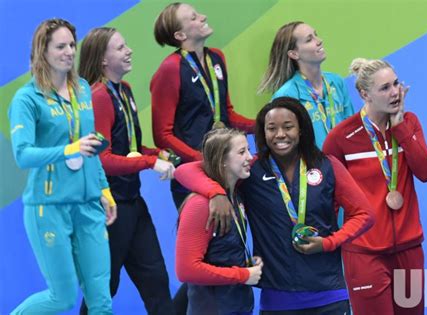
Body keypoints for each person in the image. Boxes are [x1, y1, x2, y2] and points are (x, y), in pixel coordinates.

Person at [175, 97, 375, 314]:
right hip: (278, 301)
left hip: (329, 293)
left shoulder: (326, 165)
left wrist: (329, 242)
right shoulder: (251, 170)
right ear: (263, 133)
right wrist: (215, 193)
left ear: (301, 130)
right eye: (272, 128)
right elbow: (185, 171)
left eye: (288, 127)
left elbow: (365, 214)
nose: (280, 134)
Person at [8, 18, 116, 314]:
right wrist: (69, 149)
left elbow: (90, 145)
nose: (69, 52)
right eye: (61, 46)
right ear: (43, 52)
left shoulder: (82, 88)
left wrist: (104, 190)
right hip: (49, 207)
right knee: (63, 298)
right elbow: (23, 154)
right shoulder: (26, 99)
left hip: (89, 205)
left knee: (101, 300)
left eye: (72, 45)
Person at [323, 58, 427, 315]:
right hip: (365, 253)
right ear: (365, 94)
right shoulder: (342, 137)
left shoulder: (409, 123)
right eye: (384, 88)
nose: (395, 92)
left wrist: (400, 129)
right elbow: (329, 198)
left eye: (396, 84)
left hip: (409, 249)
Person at [78, 27, 176, 314]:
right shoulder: (98, 96)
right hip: (108, 208)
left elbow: (127, 146)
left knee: (156, 282)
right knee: (104, 289)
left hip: (133, 204)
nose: (129, 51)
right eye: (120, 48)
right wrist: (148, 162)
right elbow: (102, 159)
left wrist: (157, 154)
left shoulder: (125, 91)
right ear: (103, 60)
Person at [151, 2, 255, 210]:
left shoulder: (216, 57)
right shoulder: (170, 69)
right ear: (180, 35)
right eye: (193, 17)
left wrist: (261, 124)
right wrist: (202, 158)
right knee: (205, 238)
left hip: (224, 166)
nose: (203, 17)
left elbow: (226, 116)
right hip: (195, 171)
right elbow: (162, 135)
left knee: (233, 235)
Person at [176, 128, 263, 315]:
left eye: (248, 149)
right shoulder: (200, 205)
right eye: (242, 152)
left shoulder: (235, 194)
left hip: (237, 305)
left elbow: (221, 252)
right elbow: (186, 270)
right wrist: (242, 274)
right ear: (222, 160)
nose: (250, 157)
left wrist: (244, 262)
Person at [258, 21, 354, 149]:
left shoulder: (336, 82)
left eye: (316, 35)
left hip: (344, 163)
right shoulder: (286, 95)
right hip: (312, 167)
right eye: (309, 39)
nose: (319, 41)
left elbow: (352, 127)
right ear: (294, 54)